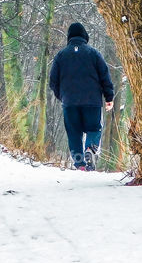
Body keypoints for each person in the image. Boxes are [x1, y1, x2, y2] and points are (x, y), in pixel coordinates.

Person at [48, 22, 114, 171]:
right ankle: (90, 149)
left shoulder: (60, 56)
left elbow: (53, 81)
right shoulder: (94, 54)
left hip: (69, 102)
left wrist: (63, 96)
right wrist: (109, 97)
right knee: (94, 128)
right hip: (92, 101)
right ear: (85, 36)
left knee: (73, 132)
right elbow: (105, 77)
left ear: (69, 37)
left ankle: (80, 164)